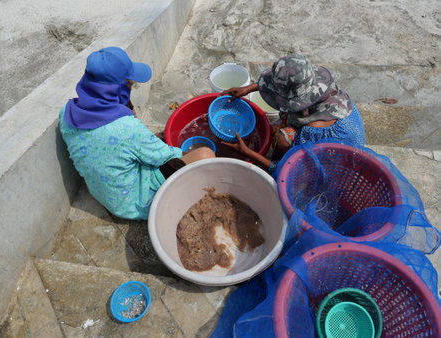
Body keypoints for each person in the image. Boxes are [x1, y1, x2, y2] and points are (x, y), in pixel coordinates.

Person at [59, 47, 215, 220]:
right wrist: (178, 149)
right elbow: (166, 155)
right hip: (134, 204)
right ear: (119, 89)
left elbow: (113, 145)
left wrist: (146, 139)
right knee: (205, 154)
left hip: (105, 194)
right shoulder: (126, 128)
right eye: (128, 85)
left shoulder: (66, 112)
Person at [220, 54, 365, 173]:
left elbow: (293, 170)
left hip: (333, 163)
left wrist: (248, 153)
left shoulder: (315, 129)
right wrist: (248, 88)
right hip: (332, 128)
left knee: (281, 137)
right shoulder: (322, 87)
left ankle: (273, 164)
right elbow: (288, 86)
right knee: (281, 123)